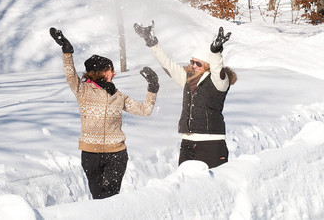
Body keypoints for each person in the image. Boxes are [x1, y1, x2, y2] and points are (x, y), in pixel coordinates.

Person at [49, 27, 159, 199]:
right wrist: (67, 51)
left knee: (109, 198)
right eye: (110, 69)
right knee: (98, 199)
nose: (114, 73)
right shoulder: (83, 91)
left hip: (116, 154)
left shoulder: (118, 96)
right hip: (90, 155)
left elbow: (145, 110)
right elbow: (71, 76)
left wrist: (153, 88)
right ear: (100, 72)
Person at [134, 22, 236, 169]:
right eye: (192, 62)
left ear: (208, 64)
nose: (193, 66)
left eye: (198, 63)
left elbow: (217, 70)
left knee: (210, 187)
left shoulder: (219, 82)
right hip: (187, 143)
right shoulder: (188, 79)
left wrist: (215, 53)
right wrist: (152, 43)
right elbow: (168, 64)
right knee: (185, 187)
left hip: (211, 143)